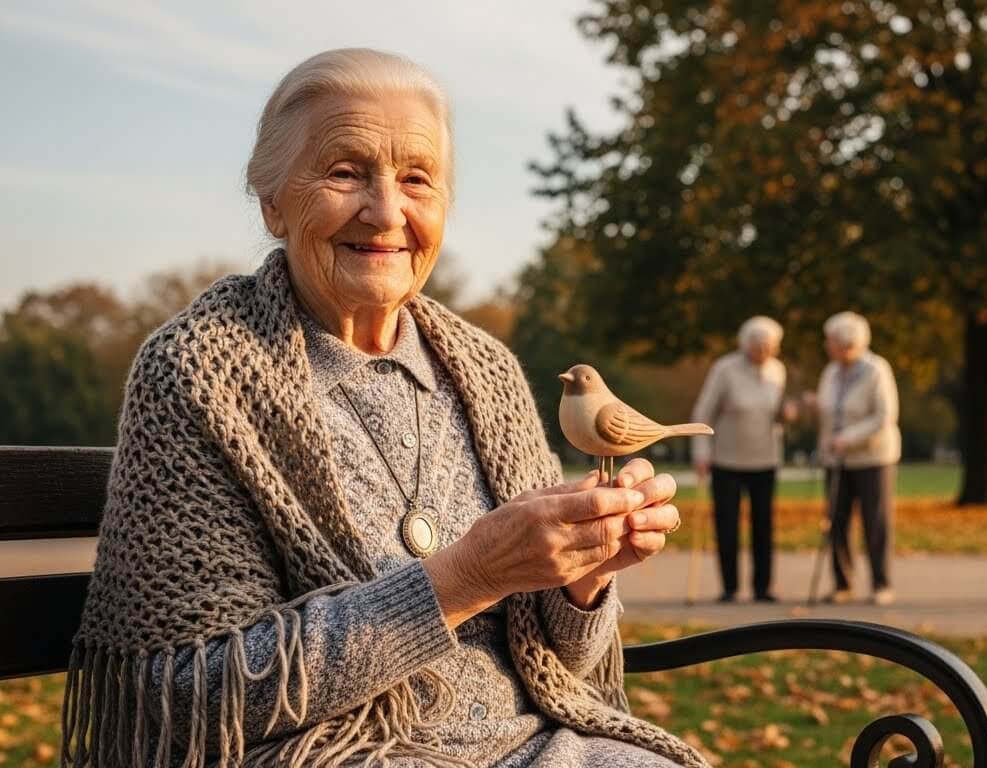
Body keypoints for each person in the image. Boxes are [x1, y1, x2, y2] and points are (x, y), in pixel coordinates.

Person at [62, 49, 703, 768]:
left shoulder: (487, 371)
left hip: (537, 746)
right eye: (345, 172)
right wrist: (465, 577)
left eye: (417, 179)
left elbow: (561, 667)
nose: (387, 211)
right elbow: (187, 696)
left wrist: (582, 576)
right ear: (272, 202)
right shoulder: (198, 374)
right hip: (328, 753)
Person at [690, 316, 795, 603]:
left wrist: (785, 414)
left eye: (770, 346)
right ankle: (730, 587)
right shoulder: (725, 369)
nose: (765, 352)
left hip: (765, 459)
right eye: (760, 346)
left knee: (764, 524)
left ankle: (763, 587)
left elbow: (775, 411)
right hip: (727, 460)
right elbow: (703, 413)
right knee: (727, 524)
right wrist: (701, 453)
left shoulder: (778, 370)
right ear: (745, 344)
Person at [812, 311, 901, 606]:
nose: (827, 345)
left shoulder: (876, 370)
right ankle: (843, 584)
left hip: (873, 458)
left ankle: (881, 583)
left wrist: (848, 437)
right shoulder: (831, 372)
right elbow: (828, 411)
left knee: (875, 522)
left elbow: (884, 416)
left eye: (830, 340)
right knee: (836, 521)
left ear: (847, 343)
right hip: (837, 460)